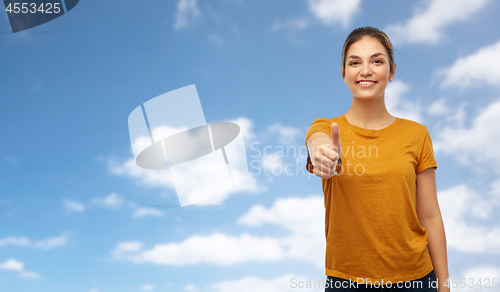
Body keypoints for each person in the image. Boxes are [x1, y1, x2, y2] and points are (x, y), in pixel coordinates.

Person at [304, 26, 450, 292]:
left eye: (377, 61)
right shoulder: (326, 128)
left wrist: (444, 286)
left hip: (417, 280)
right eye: (355, 62)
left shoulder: (417, 135)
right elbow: (317, 142)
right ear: (343, 73)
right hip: (346, 282)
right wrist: (323, 155)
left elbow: (430, 216)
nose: (366, 70)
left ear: (392, 72)